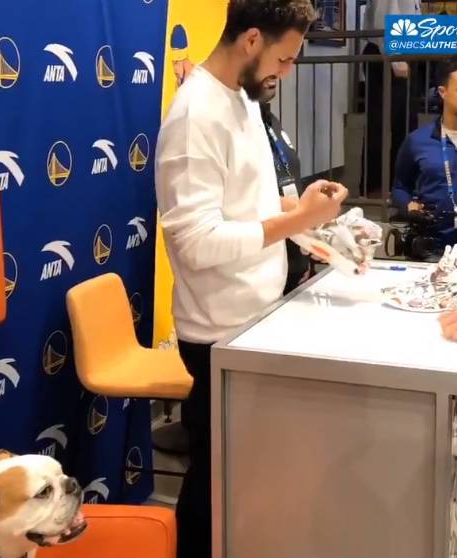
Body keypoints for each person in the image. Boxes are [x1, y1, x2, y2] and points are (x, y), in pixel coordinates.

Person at [155, 2, 347, 557]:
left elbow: (247, 203)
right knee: (215, 479)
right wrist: (296, 220)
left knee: (247, 475)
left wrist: (304, 212)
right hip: (218, 332)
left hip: (256, 319)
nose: (287, 71)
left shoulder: (241, 98)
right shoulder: (195, 117)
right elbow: (195, 244)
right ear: (252, 39)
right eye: (284, 58)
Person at [392, 55, 457, 259]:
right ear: (443, 92)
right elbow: (400, 188)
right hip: (430, 249)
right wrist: (408, 206)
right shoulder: (417, 140)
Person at [360, 0, 421, 196]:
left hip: (399, 54)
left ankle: (397, 186)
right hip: (389, 56)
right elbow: (384, 18)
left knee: (404, 126)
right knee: (381, 126)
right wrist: (396, 58)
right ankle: (375, 188)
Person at [259, 78, 313, 293]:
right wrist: (301, 211)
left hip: (295, 262)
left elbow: (289, 178)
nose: (276, 74)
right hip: (264, 271)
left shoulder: (270, 120)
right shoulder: (235, 127)